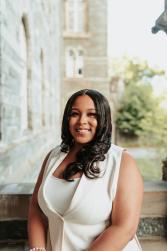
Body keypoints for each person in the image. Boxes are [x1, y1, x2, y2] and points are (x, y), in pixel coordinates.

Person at [28, 89, 143, 251]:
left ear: (103, 119)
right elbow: (36, 209)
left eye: (92, 115)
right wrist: (37, 249)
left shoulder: (122, 162)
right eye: (75, 114)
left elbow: (124, 229)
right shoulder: (53, 157)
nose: (82, 121)